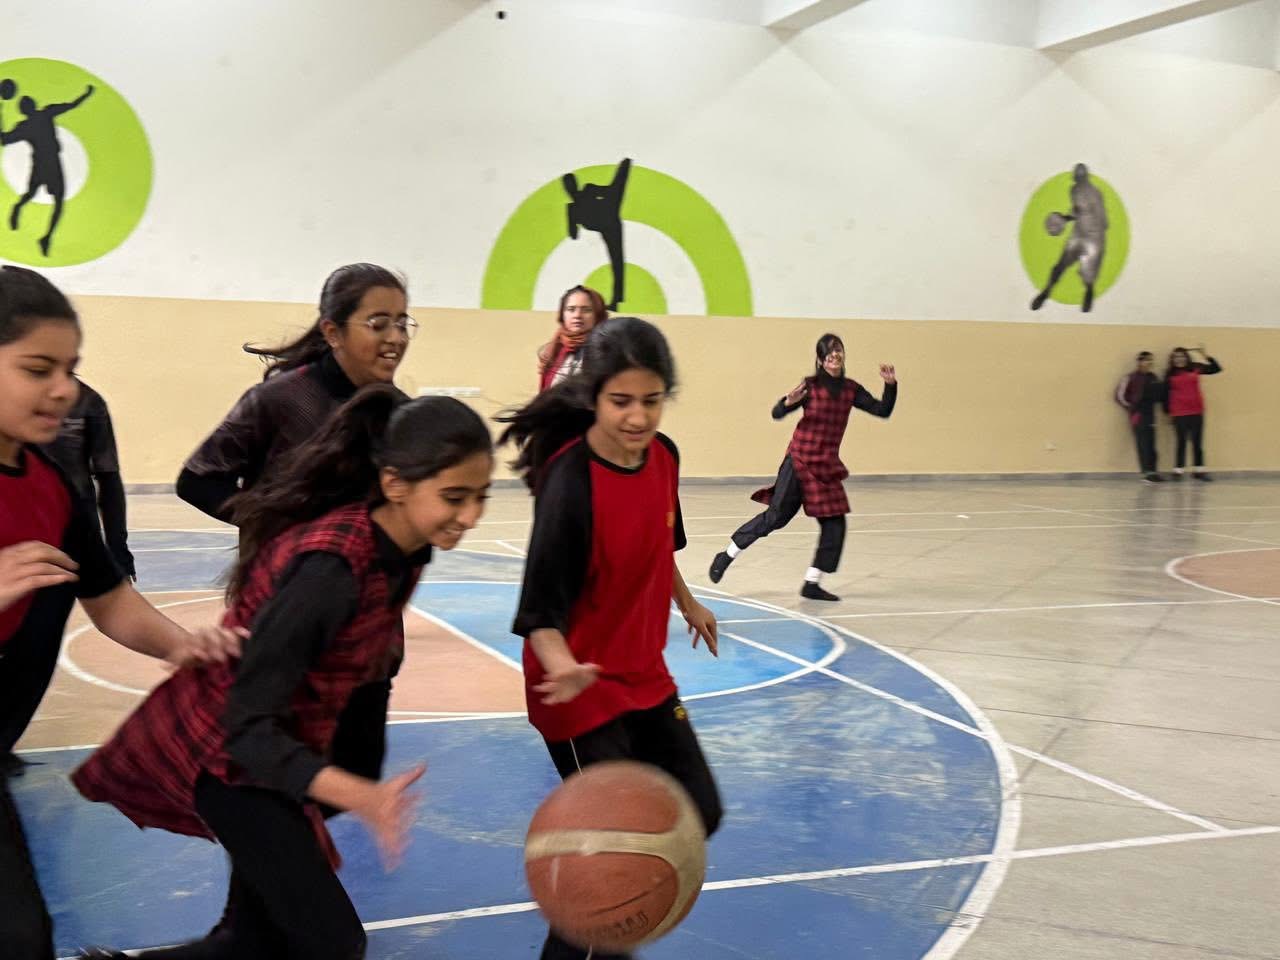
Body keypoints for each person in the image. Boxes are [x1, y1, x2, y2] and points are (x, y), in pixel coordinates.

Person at [74, 387, 494, 960]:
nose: (470, 516)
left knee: (249, 940)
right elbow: (246, 730)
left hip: (272, 755)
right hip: (230, 758)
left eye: (480, 496)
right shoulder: (330, 573)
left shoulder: (405, 547)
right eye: (454, 497)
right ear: (395, 484)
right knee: (334, 942)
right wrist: (357, 793)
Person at [0, 265, 240, 960]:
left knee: (21, 937)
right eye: (38, 369)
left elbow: (109, 600)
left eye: (70, 369)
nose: (64, 389)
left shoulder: (51, 483)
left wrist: (183, 645)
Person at [498, 316, 723, 960]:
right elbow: (538, 611)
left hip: (644, 675)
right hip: (578, 689)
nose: (638, 417)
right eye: (621, 401)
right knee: (609, 857)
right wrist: (564, 666)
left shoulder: (664, 457)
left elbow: (658, 543)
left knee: (699, 810)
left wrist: (688, 602)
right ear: (594, 396)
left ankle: (613, 934)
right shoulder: (570, 482)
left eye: (651, 400)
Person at [176, 262, 415, 523]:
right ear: (333, 333)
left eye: (402, 324)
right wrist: (274, 527)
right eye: (378, 324)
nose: (396, 338)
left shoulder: (401, 411)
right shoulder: (276, 399)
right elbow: (196, 481)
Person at [709, 334, 897, 602]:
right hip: (799, 460)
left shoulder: (851, 389)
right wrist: (787, 402)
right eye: (829, 353)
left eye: (838, 351)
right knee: (776, 517)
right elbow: (777, 413)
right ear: (820, 360)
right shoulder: (810, 386)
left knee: (835, 524)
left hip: (825, 465)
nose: (835, 356)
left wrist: (890, 385)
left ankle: (812, 582)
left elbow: (882, 410)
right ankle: (727, 555)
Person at [43, 378, 136, 577]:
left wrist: (119, 552)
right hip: (26, 525)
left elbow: (109, 477)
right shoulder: (13, 399)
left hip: (77, 524)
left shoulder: (89, 402)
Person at [1031, 162, 1108, 313]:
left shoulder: (1095, 193)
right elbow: (1077, 211)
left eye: (1081, 178)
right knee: (1060, 265)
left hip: (1094, 238)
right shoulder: (1073, 190)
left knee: (1089, 274)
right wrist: (1064, 218)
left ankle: (1089, 292)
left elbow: (1103, 221)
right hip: (1078, 234)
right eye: (1077, 178)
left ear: (1085, 177)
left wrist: (1095, 239)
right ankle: (1046, 292)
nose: (1079, 180)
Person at [1164, 345, 1222, 481]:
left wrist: (1205, 355)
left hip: (1196, 410)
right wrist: (1168, 413)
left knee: (1197, 442)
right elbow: (1165, 395)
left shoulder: (1195, 367)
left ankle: (1199, 471)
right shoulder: (1170, 373)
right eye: (1176, 357)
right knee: (1181, 442)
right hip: (1179, 413)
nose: (1179, 359)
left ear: (1187, 357)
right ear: (1172, 359)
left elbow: (1216, 369)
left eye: (1182, 356)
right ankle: (1178, 471)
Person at [535, 285, 608, 390]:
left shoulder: (607, 349)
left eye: (586, 310)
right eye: (571, 309)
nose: (577, 315)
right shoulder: (555, 349)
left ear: (598, 314)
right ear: (562, 314)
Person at [1114, 352, 1165, 483]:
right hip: (1138, 414)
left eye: (1150, 360)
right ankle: (1146, 473)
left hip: (1150, 414)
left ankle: (1153, 472)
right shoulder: (1130, 377)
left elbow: (1160, 394)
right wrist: (1131, 408)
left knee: (1152, 444)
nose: (1148, 363)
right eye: (1146, 360)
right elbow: (1119, 396)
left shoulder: (1153, 377)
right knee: (1142, 444)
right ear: (1139, 362)